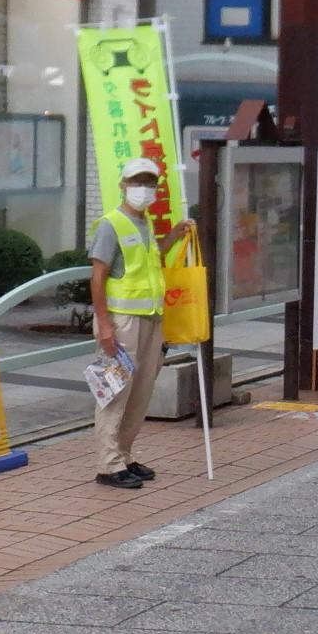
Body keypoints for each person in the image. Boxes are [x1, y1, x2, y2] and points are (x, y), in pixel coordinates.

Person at [88, 156, 196, 491]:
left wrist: (176, 235)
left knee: (141, 392)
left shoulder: (145, 223)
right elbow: (97, 277)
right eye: (137, 183)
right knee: (115, 393)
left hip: (151, 319)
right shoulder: (112, 224)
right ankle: (108, 464)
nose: (144, 190)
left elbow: (153, 258)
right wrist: (104, 325)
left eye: (150, 183)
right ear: (123, 186)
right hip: (122, 323)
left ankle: (124, 455)